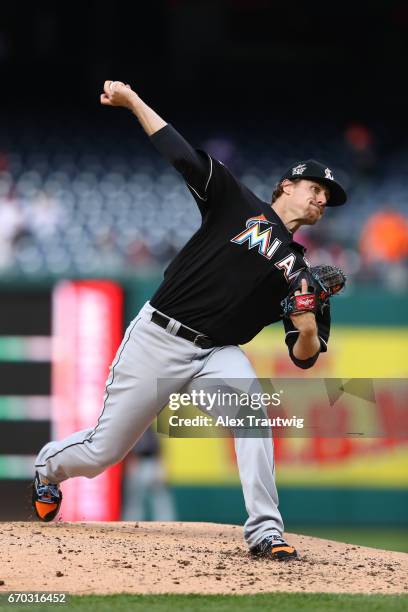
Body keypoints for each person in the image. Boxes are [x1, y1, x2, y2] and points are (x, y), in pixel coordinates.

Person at [32, 81, 347, 560]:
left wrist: (305, 326)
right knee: (104, 452)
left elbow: (304, 357)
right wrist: (133, 100)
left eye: (328, 196)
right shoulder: (237, 202)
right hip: (159, 335)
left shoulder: (305, 278)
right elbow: (180, 153)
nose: (322, 198)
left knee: (253, 416)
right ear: (287, 184)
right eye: (315, 187)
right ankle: (48, 468)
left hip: (217, 354)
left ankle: (265, 531)